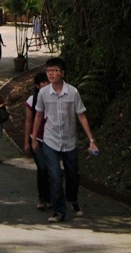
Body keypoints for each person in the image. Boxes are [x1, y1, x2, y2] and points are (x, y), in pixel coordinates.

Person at [30, 56, 97, 224]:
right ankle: (59, 211)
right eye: (49, 71)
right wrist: (34, 138)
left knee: (73, 175)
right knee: (55, 176)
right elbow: (38, 115)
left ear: (63, 73)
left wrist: (91, 139)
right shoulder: (43, 93)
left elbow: (81, 116)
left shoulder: (73, 92)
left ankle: (72, 199)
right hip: (50, 140)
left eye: (55, 71)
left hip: (69, 141)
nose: (51, 74)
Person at [24, 69, 51, 211]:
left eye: (47, 81)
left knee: (52, 170)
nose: (45, 84)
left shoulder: (55, 98)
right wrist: (27, 142)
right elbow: (28, 121)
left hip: (52, 139)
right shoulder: (32, 100)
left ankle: (51, 197)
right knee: (42, 168)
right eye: (42, 82)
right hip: (37, 139)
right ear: (37, 85)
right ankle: (43, 198)